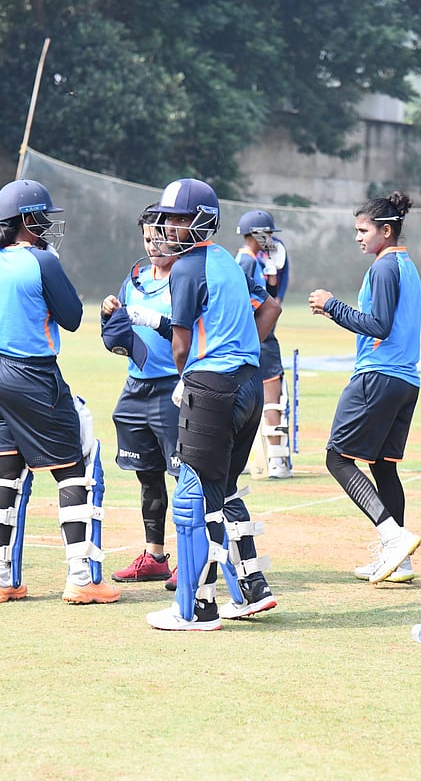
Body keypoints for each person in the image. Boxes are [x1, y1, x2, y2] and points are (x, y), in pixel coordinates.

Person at [0, 179, 120, 606]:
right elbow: (72, 317)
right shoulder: (42, 261)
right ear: (28, 220)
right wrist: (52, 275)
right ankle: (82, 578)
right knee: (73, 468)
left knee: (4, 469)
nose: (48, 225)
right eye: (43, 218)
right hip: (32, 373)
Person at [142, 178, 282, 631]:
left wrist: (189, 377)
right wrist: (240, 349)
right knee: (223, 492)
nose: (169, 227)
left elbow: (181, 345)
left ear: (201, 221)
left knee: (192, 499)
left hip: (211, 387)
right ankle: (253, 587)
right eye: (167, 218)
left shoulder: (186, 268)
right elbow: (270, 308)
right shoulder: (227, 260)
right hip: (249, 384)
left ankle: (196, 609)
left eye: (179, 219)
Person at [307, 192, 421, 586]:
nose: (357, 237)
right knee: (383, 466)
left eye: (363, 230)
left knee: (337, 458)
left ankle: (394, 538)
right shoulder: (405, 265)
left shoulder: (385, 267)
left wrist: (332, 305)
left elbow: (379, 326)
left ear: (386, 231)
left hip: (378, 376)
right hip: (405, 380)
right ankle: (399, 561)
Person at [99, 207, 181, 585]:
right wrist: (109, 313)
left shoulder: (186, 278)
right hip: (136, 387)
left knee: (186, 478)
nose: (152, 246)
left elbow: (191, 333)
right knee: (148, 476)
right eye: (147, 239)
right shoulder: (135, 279)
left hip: (175, 387)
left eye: (159, 238)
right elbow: (118, 332)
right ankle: (155, 556)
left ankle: (193, 559)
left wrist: (155, 320)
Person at [236, 210, 293, 479]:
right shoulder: (247, 263)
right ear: (256, 234)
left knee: (247, 400)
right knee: (272, 398)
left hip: (251, 337)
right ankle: (277, 460)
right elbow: (249, 305)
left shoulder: (251, 262)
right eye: (267, 234)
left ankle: (244, 459)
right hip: (259, 338)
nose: (270, 239)